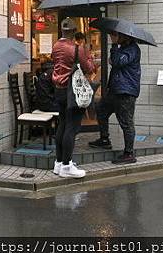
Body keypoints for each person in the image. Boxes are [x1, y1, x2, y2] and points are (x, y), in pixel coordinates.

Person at [51, 18, 96, 178]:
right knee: (71, 127)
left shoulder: (56, 46)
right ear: (74, 32)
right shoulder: (77, 49)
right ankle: (67, 165)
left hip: (59, 90)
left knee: (62, 125)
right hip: (72, 92)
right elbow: (89, 68)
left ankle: (58, 163)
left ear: (62, 31)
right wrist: (89, 57)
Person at [89, 32, 141, 165]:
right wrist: (114, 52)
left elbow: (117, 62)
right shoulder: (123, 48)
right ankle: (104, 139)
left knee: (126, 122)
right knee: (101, 110)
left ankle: (129, 153)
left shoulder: (132, 49)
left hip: (125, 91)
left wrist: (113, 44)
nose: (114, 37)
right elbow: (114, 61)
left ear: (125, 36)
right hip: (115, 90)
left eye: (117, 35)